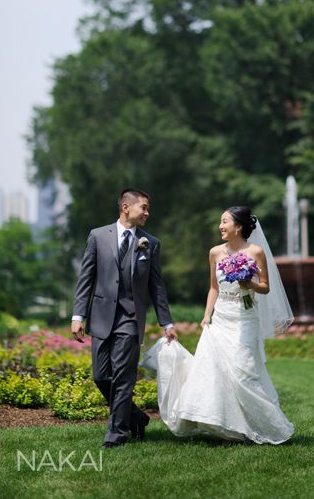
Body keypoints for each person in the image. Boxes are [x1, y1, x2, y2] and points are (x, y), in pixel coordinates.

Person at [143, 206, 294, 445]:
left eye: (225, 222)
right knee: (219, 373)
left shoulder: (256, 251)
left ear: (239, 226)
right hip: (222, 317)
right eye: (220, 222)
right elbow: (214, 287)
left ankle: (261, 424)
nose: (220, 226)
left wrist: (249, 283)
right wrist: (206, 316)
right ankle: (229, 430)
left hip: (245, 318)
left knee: (244, 373)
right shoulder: (215, 252)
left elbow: (265, 286)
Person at [71, 188, 177, 448]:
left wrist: (167, 323)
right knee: (100, 376)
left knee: (122, 377)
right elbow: (86, 278)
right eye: (144, 207)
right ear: (126, 207)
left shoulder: (150, 243)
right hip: (101, 317)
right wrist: (78, 314)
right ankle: (137, 417)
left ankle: (116, 435)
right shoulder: (98, 236)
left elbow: (157, 286)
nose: (147, 213)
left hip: (131, 319)